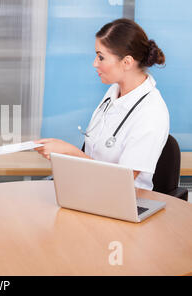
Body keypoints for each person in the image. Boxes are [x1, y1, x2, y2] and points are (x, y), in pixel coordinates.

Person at [35, 18, 169, 190]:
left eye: (101, 57)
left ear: (127, 62)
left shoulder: (151, 112)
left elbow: (123, 183)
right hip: (92, 191)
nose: (94, 63)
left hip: (125, 204)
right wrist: (62, 152)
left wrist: (70, 153)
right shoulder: (114, 92)